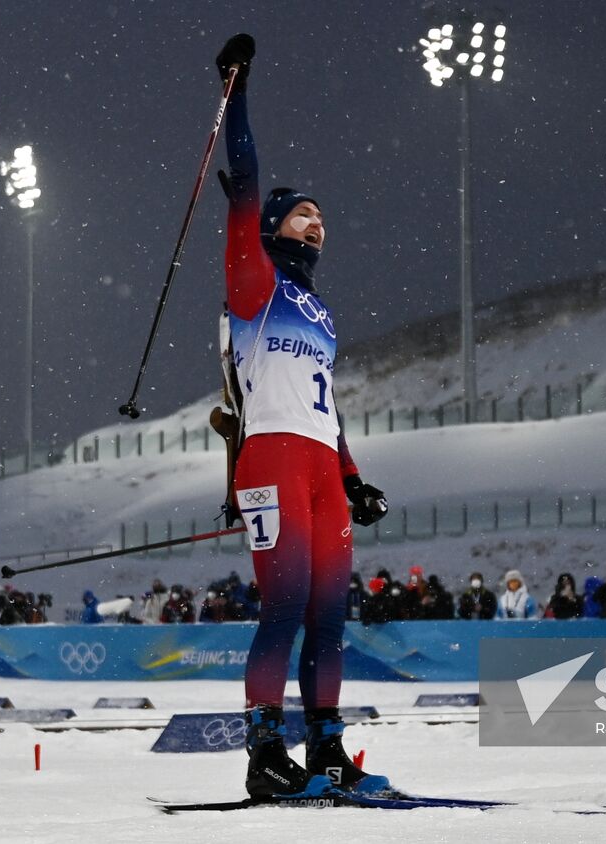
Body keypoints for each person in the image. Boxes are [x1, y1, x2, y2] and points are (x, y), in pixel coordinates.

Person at [215, 34, 394, 799]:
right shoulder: (252, 278)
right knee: (283, 607)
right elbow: (248, 176)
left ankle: (326, 750)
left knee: (329, 618)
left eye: (323, 216)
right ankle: (264, 754)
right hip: (273, 461)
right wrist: (237, 90)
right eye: (303, 215)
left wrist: (353, 478)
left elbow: (329, 407)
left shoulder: (320, 310)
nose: (317, 223)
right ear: (273, 227)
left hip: (320, 463)